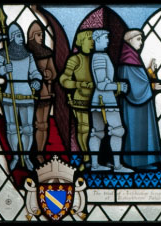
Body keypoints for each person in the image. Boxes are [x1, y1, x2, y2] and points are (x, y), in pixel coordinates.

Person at [0, 22, 42, 170]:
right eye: (19, 35)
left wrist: (36, 81)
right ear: (12, 37)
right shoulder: (3, 54)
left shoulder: (29, 55)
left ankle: (26, 157)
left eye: (22, 35)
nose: (22, 38)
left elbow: (35, 72)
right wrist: (3, 69)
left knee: (27, 128)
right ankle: (15, 156)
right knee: (12, 128)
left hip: (27, 94)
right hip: (10, 94)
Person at [117, 29, 161, 170]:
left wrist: (149, 72)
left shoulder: (132, 57)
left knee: (143, 131)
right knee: (137, 132)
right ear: (130, 41)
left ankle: (145, 160)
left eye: (141, 39)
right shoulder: (128, 60)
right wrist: (152, 86)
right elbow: (134, 87)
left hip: (141, 105)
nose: (141, 42)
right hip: (135, 107)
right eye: (138, 39)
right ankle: (138, 162)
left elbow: (138, 79)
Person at [88, 29, 133, 173]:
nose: (108, 40)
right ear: (98, 39)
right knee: (117, 131)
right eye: (105, 38)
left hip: (98, 100)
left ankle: (95, 165)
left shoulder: (99, 56)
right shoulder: (100, 57)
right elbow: (101, 84)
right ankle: (117, 166)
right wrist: (119, 86)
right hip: (106, 100)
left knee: (97, 132)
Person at [59, 30, 94, 171]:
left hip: (98, 99)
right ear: (81, 42)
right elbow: (64, 79)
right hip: (80, 99)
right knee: (84, 129)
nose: (92, 42)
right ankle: (86, 158)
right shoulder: (75, 59)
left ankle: (97, 159)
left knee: (100, 130)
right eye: (89, 39)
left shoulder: (96, 58)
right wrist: (79, 84)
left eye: (93, 39)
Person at [27, 21, 57, 163]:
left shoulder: (47, 52)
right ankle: (29, 152)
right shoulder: (26, 53)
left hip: (45, 91)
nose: (41, 37)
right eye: (38, 35)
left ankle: (40, 152)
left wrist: (48, 74)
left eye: (42, 35)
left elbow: (54, 73)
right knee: (29, 124)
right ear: (32, 36)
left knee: (43, 124)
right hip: (29, 93)